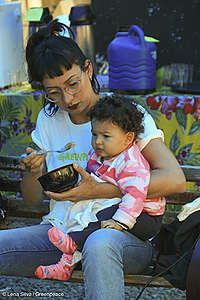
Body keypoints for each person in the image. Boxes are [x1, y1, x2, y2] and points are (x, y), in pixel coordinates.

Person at [0, 19, 186, 300]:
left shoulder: (124, 114)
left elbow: (175, 180)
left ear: (88, 69)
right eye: (54, 93)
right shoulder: (49, 122)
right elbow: (31, 201)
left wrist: (98, 190)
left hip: (124, 234)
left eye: (73, 84)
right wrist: (32, 170)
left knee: (99, 243)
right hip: (61, 234)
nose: (68, 98)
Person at [34, 95, 166, 281]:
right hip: (124, 206)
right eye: (94, 134)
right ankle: (64, 266)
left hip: (144, 216)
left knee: (101, 217)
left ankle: (73, 241)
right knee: (86, 214)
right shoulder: (100, 154)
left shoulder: (131, 163)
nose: (98, 141)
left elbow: (135, 196)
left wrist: (119, 221)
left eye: (106, 136)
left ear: (128, 137)